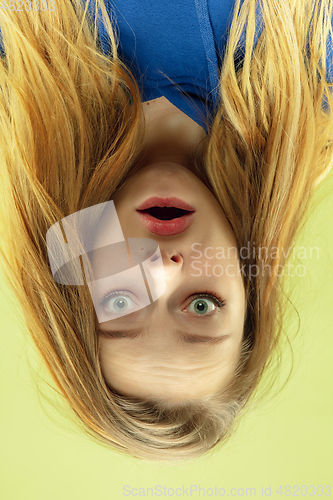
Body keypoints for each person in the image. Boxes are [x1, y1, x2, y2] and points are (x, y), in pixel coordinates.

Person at [0, 0, 332, 462]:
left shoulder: (16, 60)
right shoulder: (317, 67)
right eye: (201, 305)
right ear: (247, 284)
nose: (162, 267)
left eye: (121, 302)